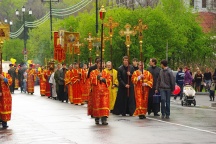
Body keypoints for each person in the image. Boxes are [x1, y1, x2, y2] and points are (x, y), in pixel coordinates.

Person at [90, 60, 111, 125]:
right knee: (97, 105)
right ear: (97, 64)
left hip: (104, 92)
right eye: (100, 64)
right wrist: (97, 77)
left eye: (103, 63)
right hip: (97, 92)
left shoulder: (106, 72)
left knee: (104, 105)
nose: (101, 65)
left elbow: (109, 80)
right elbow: (91, 80)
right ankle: (97, 118)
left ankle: (104, 119)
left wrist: (104, 80)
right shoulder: (93, 72)